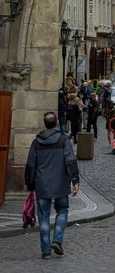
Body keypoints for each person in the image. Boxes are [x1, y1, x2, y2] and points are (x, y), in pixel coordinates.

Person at [24, 111, 80, 259]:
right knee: (62, 210)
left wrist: (30, 184)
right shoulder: (63, 140)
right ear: (56, 123)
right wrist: (75, 181)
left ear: (44, 125)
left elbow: (30, 165)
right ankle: (57, 239)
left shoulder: (36, 143)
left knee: (43, 217)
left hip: (42, 183)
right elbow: (71, 161)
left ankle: (46, 251)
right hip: (61, 182)